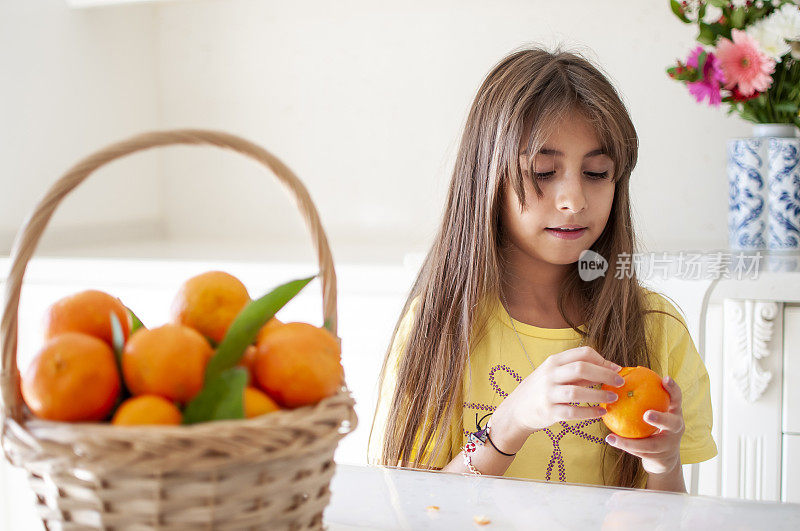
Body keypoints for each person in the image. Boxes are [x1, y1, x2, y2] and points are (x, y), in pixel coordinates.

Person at [366, 45, 717, 491]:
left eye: (596, 173)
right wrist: (510, 422)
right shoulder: (438, 327)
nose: (573, 199)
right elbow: (410, 512)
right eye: (543, 171)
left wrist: (663, 464)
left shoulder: (656, 329)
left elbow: (666, 519)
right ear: (487, 178)